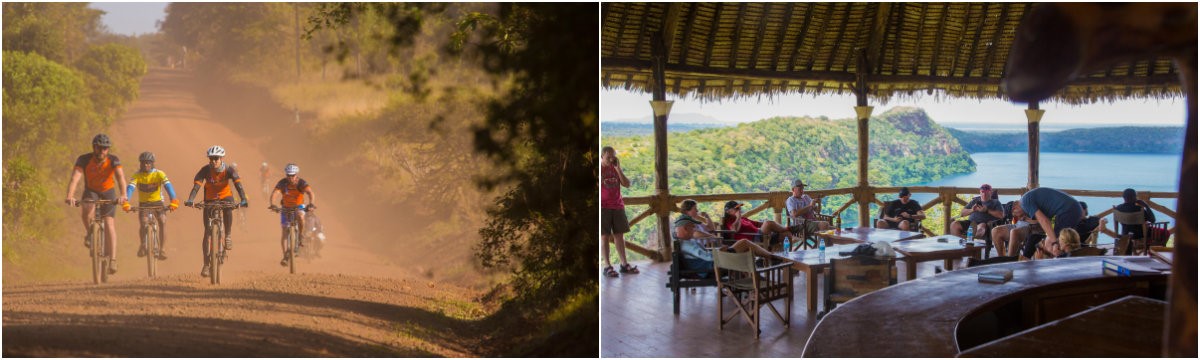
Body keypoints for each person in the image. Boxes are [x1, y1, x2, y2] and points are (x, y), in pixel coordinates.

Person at [65, 134, 128, 274]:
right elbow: (75, 179)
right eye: (99, 148)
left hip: (108, 191)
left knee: (109, 223)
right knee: (87, 209)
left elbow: (121, 178)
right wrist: (70, 196)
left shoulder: (113, 160)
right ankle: (90, 233)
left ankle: (112, 260)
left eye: (105, 148)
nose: (102, 151)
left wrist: (123, 195)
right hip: (91, 190)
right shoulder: (84, 159)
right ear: (94, 147)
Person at [184, 145, 249, 277]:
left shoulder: (229, 170)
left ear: (221, 159)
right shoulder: (205, 170)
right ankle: (206, 264)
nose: (213, 161)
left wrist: (243, 199)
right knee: (207, 233)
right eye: (211, 159)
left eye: (216, 159)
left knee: (229, 209)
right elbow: (196, 186)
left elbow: (238, 185)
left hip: (226, 196)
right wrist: (190, 199)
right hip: (209, 199)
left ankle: (228, 235)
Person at [675, 199, 775, 275]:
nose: (693, 227)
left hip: (714, 258)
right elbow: (707, 257)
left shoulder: (688, 239)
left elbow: (710, 230)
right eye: (692, 227)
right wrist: (719, 251)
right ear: (685, 228)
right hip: (715, 262)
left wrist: (707, 218)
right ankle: (772, 259)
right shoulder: (688, 244)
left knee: (744, 247)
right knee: (744, 243)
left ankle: (769, 262)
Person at [123, 151, 179, 260]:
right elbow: (130, 189)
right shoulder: (137, 175)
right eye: (143, 163)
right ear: (140, 164)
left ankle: (162, 249)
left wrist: (173, 201)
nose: (146, 165)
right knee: (144, 223)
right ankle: (143, 244)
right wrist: (126, 202)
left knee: (162, 221)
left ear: (152, 163)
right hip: (143, 204)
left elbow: (168, 187)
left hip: (158, 202)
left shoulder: (159, 174)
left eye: (148, 163)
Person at [268, 163, 316, 267]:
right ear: (286, 175)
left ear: (296, 174)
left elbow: (310, 192)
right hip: (286, 207)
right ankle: (285, 255)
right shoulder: (282, 183)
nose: (290, 178)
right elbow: (275, 193)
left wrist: (311, 203)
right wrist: (272, 204)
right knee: (285, 232)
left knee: (301, 216)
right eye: (288, 175)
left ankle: (300, 236)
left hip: (299, 207)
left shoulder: (301, 183)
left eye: (292, 175)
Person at [600, 146, 637, 277]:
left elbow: (627, 184)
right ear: (602, 157)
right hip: (603, 207)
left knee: (619, 236)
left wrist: (618, 168)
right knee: (604, 236)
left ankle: (624, 264)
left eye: (613, 156)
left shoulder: (616, 169)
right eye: (608, 157)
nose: (611, 159)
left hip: (617, 205)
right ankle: (607, 266)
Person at [1015, 187, 1082, 258]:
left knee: (1052, 244)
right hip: (1073, 208)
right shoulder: (1028, 199)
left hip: (1067, 211)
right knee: (1034, 238)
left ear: (1015, 208)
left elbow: (1044, 221)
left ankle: (1062, 264)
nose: (1020, 218)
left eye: (1017, 216)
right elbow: (1043, 220)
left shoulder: (1025, 202)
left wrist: (1054, 243)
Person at [721, 200, 799, 250]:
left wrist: (770, 225)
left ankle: (787, 257)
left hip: (763, 235)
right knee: (768, 223)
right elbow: (735, 230)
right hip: (753, 240)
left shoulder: (743, 219)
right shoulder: (729, 221)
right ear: (728, 211)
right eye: (736, 208)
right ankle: (789, 228)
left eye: (739, 208)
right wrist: (738, 217)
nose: (739, 210)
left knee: (787, 235)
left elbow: (757, 224)